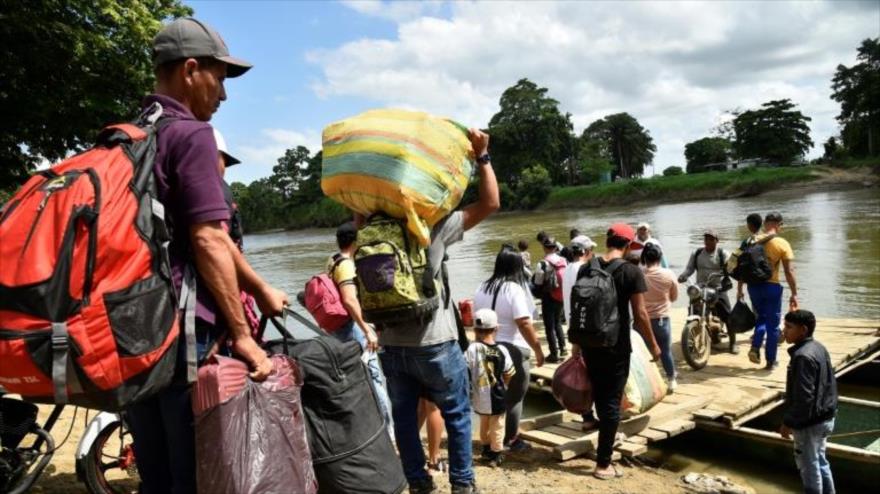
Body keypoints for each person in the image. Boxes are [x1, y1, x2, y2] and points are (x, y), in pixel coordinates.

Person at [126, 18, 287, 494]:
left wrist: (258, 286)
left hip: (134, 333)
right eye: (219, 78)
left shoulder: (129, 135)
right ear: (191, 69)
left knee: (156, 474)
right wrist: (244, 336)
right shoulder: (191, 135)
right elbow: (210, 240)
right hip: (185, 339)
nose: (224, 95)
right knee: (201, 475)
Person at [377, 129, 499, 494]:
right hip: (436, 343)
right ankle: (462, 484)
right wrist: (482, 156)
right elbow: (490, 203)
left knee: (403, 417)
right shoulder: (433, 227)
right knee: (458, 415)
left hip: (391, 343)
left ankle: (418, 481)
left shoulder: (369, 227)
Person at [569, 223, 661, 481]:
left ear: (608, 240)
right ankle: (603, 464)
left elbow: (579, 308)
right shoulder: (631, 271)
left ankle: (603, 438)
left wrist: (576, 344)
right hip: (615, 345)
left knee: (600, 392)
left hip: (589, 342)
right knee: (611, 401)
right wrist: (654, 345)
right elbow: (641, 315)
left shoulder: (588, 267)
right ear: (630, 245)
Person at [473, 246, 545, 452]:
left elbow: (477, 321)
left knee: (491, 397)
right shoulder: (514, 289)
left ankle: (488, 439)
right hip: (513, 350)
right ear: (517, 267)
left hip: (487, 347)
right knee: (514, 399)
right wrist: (538, 349)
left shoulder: (481, 287)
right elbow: (523, 323)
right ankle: (511, 440)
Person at [328, 222, 394, 439]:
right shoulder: (346, 264)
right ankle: (388, 432)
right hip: (353, 328)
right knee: (374, 377)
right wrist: (367, 330)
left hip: (338, 329)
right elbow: (348, 299)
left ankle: (364, 429)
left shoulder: (332, 260)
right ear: (356, 242)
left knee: (354, 379)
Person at [779, 310, 837, 494]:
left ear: (803, 330)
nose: (784, 330)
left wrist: (788, 422)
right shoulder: (819, 347)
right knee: (819, 460)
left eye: (789, 327)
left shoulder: (803, 356)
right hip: (826, 416)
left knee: (809, 468)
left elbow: (804, 398)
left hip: (810, 422)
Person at [746, 212, 799, 369]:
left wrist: (740, 288)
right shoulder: (782, 243)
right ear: (779, 225)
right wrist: (794, 293)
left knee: (761, 317)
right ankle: (771, 361)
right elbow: (789, 271)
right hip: (771, 287)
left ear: (765, 224)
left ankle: (756, 347)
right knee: (773, 325)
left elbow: (741, 264)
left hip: (753, 286)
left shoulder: (751, 240)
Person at [465, 309, 516, 468]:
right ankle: (497, 452)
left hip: (480, 396)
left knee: (484, 424)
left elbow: (464, 369)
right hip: (498, 395)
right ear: (496, 328)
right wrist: (504, 385)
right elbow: (509, 372)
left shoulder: (472, 349)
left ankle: (486, 447)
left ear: (474, 330)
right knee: (498, 425)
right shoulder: (503, 350)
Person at [560, 235, 600, 429]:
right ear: (585, 252)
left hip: (572, 326)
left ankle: (587, 416)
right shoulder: (584, 270)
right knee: (592, 372)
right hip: (584, 326)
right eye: (590, 250)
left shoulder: (567, 268)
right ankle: (596, 415)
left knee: (583, 372)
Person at [678, 228, 737, 353]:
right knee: (693, 314)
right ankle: (690, 339)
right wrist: (683, 276)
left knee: (729, 316)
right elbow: (689, 269)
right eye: (706, 239)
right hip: (700, 288)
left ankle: (733, 343)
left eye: (711, 239)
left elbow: (731, 266)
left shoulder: (722, 253)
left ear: (717, 241)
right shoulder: (697, 253)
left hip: (718, 288)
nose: (708, 241)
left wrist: (729, 269)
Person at [642, 243, 679, 390]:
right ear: (660, 257)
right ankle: (671, 380)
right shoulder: (668, 274)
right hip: (662, 319)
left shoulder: (640, 274)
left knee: (645, 353)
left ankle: (648, 384)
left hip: (642, 320)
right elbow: (674, 297)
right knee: (665, 350)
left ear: (644, 257)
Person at [536, 236, 567, 363]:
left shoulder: (542, 263)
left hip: (548, 296)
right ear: (555, 247)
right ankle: (563, 348)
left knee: (549, 326)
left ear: (544, 247)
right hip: (561, 295)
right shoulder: (564, 260)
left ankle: (554, 354)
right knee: (558, 321)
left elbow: (538, 282)